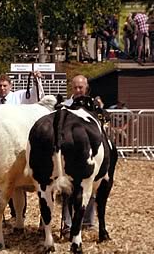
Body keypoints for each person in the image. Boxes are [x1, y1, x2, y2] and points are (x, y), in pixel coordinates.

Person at [0, 71, 45, 221]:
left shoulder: (20, 96)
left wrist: (37, 80)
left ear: (11, 86)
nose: (2, 88)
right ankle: (14, 215)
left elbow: (36, 96)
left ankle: (25, 216)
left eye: (5, 85)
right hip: (4, 146)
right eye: (0, 86)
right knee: (8, 184)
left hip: (21, 143)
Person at [62, 74, 96, 235]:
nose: (78, 90)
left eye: (80, 87)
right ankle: (68, 224)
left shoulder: (93, 105)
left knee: (90, 187)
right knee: (68, 190)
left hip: (91, 154)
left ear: (86, 88)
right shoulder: (64, 106)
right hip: (71, 154)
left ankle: (88, 222)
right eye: (75, 87)